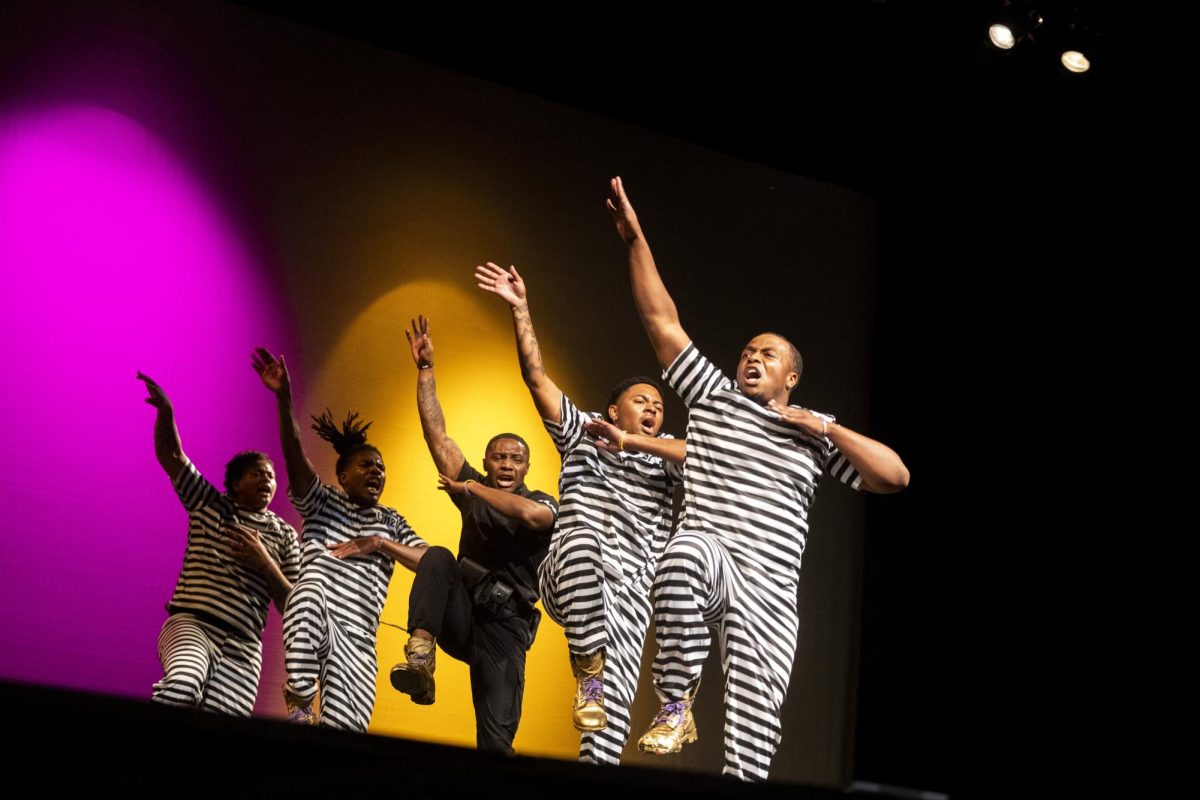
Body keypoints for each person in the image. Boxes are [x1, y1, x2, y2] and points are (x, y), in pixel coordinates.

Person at [606, 175, 910, 781]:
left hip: (770, 592)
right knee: (682, 557)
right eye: (748, 350)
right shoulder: (714, 399)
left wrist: (828, 430)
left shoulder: (813, 432)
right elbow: (661, 322)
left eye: (767, 354)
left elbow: (894, 476)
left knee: (749, 756)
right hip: (715, 551)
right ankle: (675, 703)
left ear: (791, 376)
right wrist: (635, 239)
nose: (752, 357)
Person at [476, 261, 685, 766]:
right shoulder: (585, 432)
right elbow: (536, 377)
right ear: (612, 411)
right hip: (572, 570)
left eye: (659, 405)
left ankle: (594, 693)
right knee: (582, 540)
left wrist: (644, 444)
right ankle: (588, 665)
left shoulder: (670, 459)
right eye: (641, 401)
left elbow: (703, 457)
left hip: (630, 597)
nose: (653, 409)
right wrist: (522, 309)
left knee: (604, 733)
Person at [387, 315, 558, 754]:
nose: (505, 464)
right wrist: (426, 370)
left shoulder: (537, 499)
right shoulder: (473, 488)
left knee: (497, 741)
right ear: (487, 460)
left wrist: (472, 488)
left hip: (506, 627)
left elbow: (531, 516)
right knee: (437, 557)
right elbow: (437, 436)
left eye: (514, 459)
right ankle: (421, 659)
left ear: (525, 468)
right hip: (464, 617)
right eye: (497, 457)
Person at [252, 348, 428, 731]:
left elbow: (430, 561)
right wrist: (284, 400)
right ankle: (299, 697)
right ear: (343, 475)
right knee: (309, 591)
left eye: (381, 468)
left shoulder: (391, 521)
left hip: (358, 639)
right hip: (319, 611)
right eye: (366, 464)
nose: (377, 472)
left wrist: (379, 543)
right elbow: (295, 456)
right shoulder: (323, 501)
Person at [138, 371, 300, 716]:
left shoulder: (285, 534)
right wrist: (166, 412)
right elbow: (172, 457)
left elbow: (293, 606)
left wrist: (264, 561)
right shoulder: (210, 504)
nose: (267, 479)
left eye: (271, 475)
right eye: (257, 472)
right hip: (194, 623)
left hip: (243, 648)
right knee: (183, 684)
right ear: (236, 482)